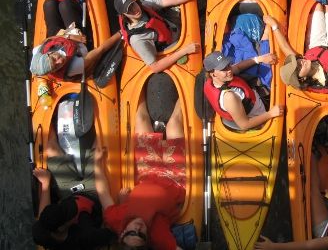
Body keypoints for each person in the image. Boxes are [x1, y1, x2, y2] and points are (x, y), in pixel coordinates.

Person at [96, 89, 188, 250]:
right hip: (174, 180)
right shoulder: (158, 236)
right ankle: (186, 90)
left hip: (148, 173)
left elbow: (102, 192)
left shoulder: (116, 219)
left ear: (122, 234)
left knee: (140, 119)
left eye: (132, 233)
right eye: (141, 235)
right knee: (174, 124)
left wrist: (96, 163)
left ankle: (141, 82)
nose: (138, 229)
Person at [31, 127, 116, 249]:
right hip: (93, 194)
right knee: (99, 146)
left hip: (69, 193)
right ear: (62, 228)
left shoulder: (41, 233)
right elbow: (113, 235)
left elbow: (44, 213)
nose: (66, 209)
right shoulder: (86, 237)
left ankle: (52, 115)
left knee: (50, 148)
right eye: (66, 213)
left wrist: (45, 184)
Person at [263, 6, 328, 92]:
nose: (301, 63)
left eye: (297, 62)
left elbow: (284, 46)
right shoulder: (326, 78)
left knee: (318, 7)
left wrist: (274, 25)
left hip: (316, 44)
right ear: (303, 79)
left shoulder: (301, 61)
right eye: (299, 68)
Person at [203, 51, 284, 130]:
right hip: (260, 116)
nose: (229, 70)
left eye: (228, 65)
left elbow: (238, 67)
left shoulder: (220, 78)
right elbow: (245, 124)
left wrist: (259, 59)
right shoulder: (229, 97)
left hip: (254, 98)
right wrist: (271, 113)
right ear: (213, 74)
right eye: (223, 69)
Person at [29, 29, 121, 80]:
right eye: (56, 67)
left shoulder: (37, 50)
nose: (60, 61)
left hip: (67, 38)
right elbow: (101, 50)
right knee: (66, 5)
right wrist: (120, 33)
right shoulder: (73, 66)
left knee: (50, 4)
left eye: (54, 59)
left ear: (50, 53)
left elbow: (47, 40)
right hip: (81, 50)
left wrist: (69, 36)